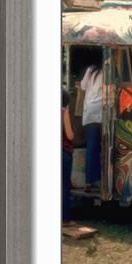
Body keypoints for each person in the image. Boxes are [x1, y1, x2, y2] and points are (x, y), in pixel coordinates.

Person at [80, 62, 103, 191]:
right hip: (97, 113)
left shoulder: (91, 72)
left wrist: (88, 70)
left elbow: (83, 87)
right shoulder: (104, 74)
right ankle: (91, 180)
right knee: (94, 147)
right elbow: (107, 92)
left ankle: (92, 179)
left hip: (89, 113)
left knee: (92, 147)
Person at [62, 89, 75, 224]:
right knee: (64, 185)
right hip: (63, 153)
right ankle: (65, 218)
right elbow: (69, 134)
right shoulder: (63, 112)